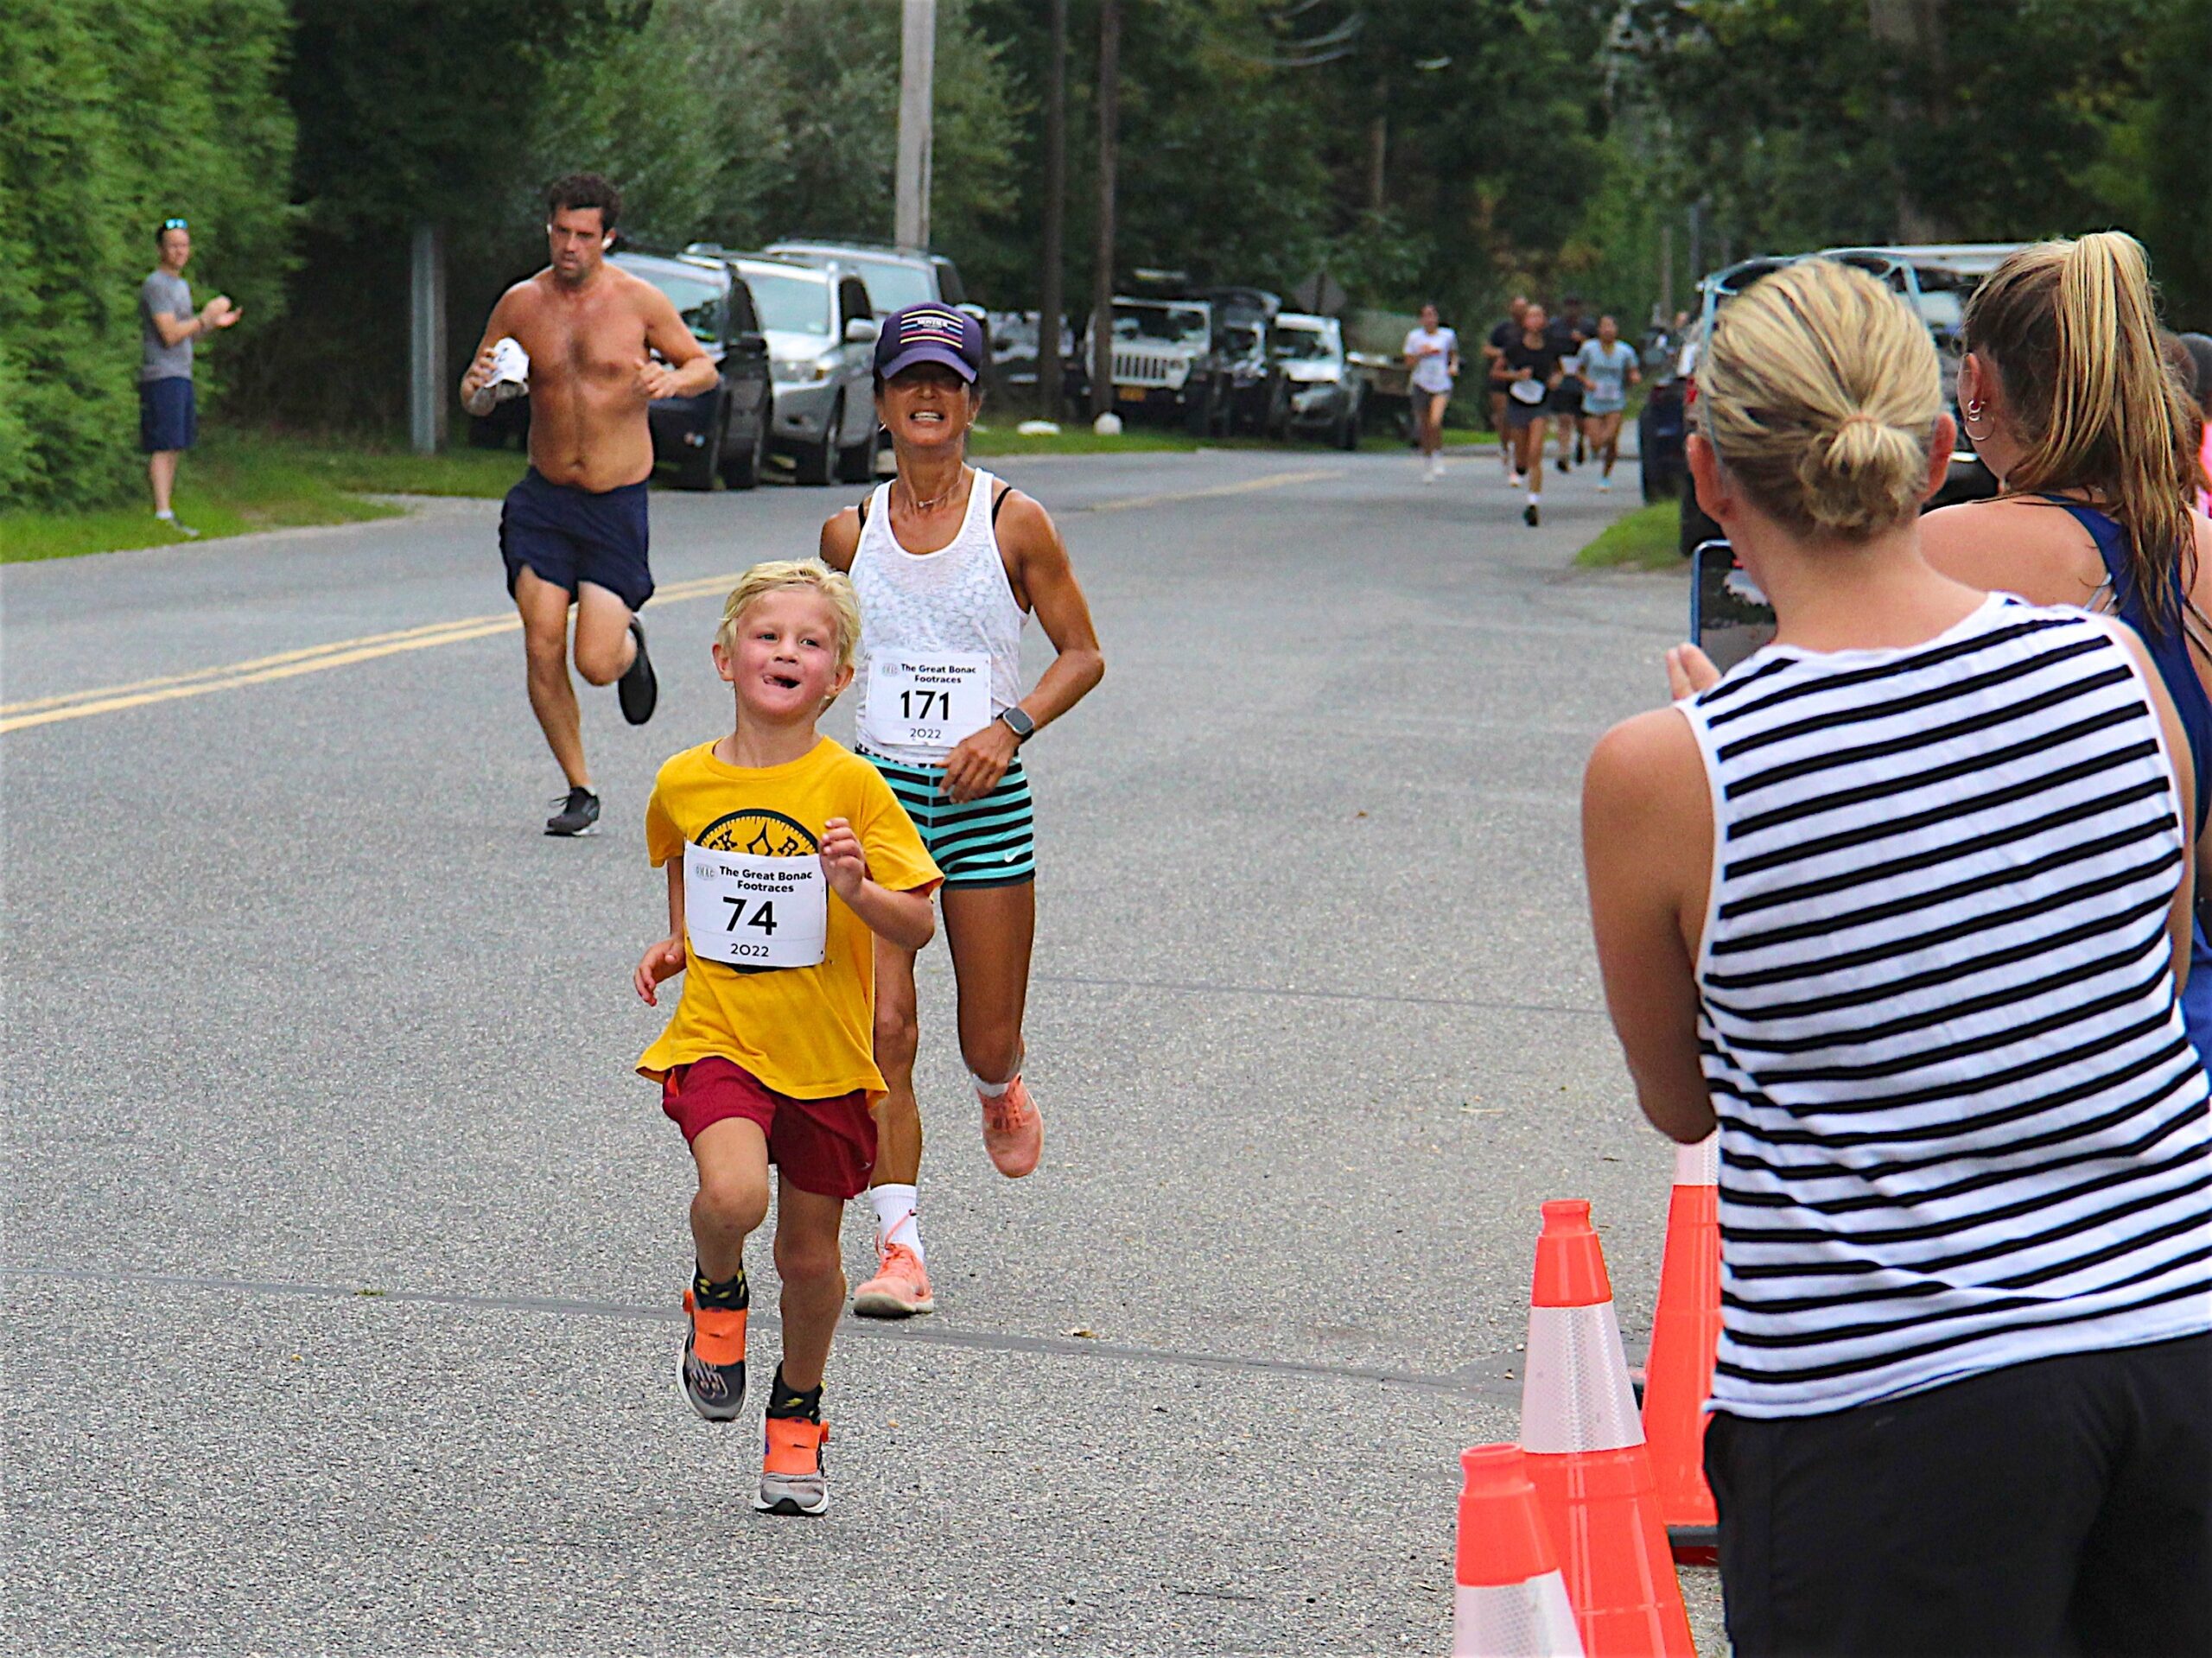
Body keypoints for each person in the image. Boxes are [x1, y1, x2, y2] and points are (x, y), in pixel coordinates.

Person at [1585, 257, 2211, 1657]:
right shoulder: (2111, 670)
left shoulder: (1670, 770)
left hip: (1883, 1401)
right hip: (2174, 1345)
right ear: (1938, 451)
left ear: (1708, 469)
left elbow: (1684, 1100)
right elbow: (2145, 984)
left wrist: (1730, 735)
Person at [633, 560, 942, 1516]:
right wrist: (684, 938)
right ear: (726, 657)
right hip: (720, 1034)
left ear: (839, 678)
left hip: (826, 1056)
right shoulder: (682, 777)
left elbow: (918, 920)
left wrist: (855, 890)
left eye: (812, 643)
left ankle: (798, 1407)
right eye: (769, 636)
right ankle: (715, 1291)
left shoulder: (851, 782)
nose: (787, 653)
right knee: (731, 1193)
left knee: (810, 1260)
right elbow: (683, 853)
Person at [820, 305, 1104, 1320]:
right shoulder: (846, 533)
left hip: (986, 803)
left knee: (983, 1035)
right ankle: (900, 1246)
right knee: (883, 1028)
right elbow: (820, 662)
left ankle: (998, 1087)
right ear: (884, 401)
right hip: (879, 805)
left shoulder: (1012, 521)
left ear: (974, 401)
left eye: (947, 381)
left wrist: (1009, 726)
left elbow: (1083, 651)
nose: (927, 398)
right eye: (909, 382)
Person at [1917, 234, 2212, 1064]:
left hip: (1984, 1042)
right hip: (2181, 1046)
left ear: (1974, 384)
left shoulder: (1935, 554)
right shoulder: (2205, 553)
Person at [461, 173, 717, 837]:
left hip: (614, 504)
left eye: (584, 235)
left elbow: (702, 367)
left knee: (593, 662)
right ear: (548, 229)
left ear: (606, 237)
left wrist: (670, 377)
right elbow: (472, 388)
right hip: (544, 499)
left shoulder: (638, 303)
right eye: (560, 232)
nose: (570, 246)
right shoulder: (521, 303)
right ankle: (580, 786)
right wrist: (483, 390)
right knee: (541, 639)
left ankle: (628, 646)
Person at [139, 218, 241, 537]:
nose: (179, 251)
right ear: (160, 249)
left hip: (181, 372)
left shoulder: (181, 286)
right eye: (173, 245)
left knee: (176, 444)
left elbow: (188, 335)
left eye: (184, 245)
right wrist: (203, 318)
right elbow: (169, 334)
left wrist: (212, 324)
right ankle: (161, 512)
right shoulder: (156, 285)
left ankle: (167, 511)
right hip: (161, 373)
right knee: (163, 442)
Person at [1500, 302, 1563, 524]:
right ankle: (1519, 464)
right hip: (1518, 402)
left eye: (1540, 316)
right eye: (1531, 316)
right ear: (1525, 322)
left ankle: (1533, 503)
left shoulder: (1550, 347)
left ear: (1544, 321)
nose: (1536, 321)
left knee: (1536, 452)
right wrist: (1515, 376)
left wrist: (1556, 379)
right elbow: (1496, 371)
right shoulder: (1514, 347)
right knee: (1523, 457)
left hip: (1540, 403)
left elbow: (1559, 370)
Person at [1572, 315, 1641, 492]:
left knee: (1610, 438)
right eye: (1605, 327)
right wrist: (1586, 382)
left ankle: (1605, 476)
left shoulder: (1625, 351)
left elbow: (1633, 371)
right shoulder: (1589, 349)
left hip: (1615, 400)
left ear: (1616, 330)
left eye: (1611, 326)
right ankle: (1593, 450)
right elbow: (1578, 370)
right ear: (1599, 330)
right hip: (1593, 400)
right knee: (1595, 441)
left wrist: (1634, 377)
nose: (1608, 330)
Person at [1402, 302, 1460, 482]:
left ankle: (1437, 454)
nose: (1429, 319)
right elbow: (1408, 363)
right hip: (1421, 383)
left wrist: (1453, 366)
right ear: (1421, 320)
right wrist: (1422, 354)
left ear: (1437, 318)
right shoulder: (1414, 338)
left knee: (1435, 421)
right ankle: (1427, 461)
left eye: (1432, 315)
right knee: (1424, 425)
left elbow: (1453, 355)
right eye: (1426, 316)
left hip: (1441, 383)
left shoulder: (1447, 335)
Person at [1485, 295, 1530, 480]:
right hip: (1502, 378)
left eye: (1523, 308)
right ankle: (1505, 447)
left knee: (1520, 420)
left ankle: (1518, 453)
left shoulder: (1532, 330)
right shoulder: (1503, 329)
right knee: (1504, 416)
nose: (1520, 311)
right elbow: (1487, 349)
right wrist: (1503, 353)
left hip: (1523, 380)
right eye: (1516, 308)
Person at [1547, 295, 1592, 473]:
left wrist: (1583, 341)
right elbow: (1549, 350)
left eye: (1575, 306)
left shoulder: (1588, 327)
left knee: (1581, 420)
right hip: (1563, 373)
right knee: (1564, 418)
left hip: (1582, 375)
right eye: (1569, 306)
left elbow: (1598, 349)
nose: (1572, 310)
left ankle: (1580, 441)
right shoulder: (1555, 327)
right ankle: (1563, 454)